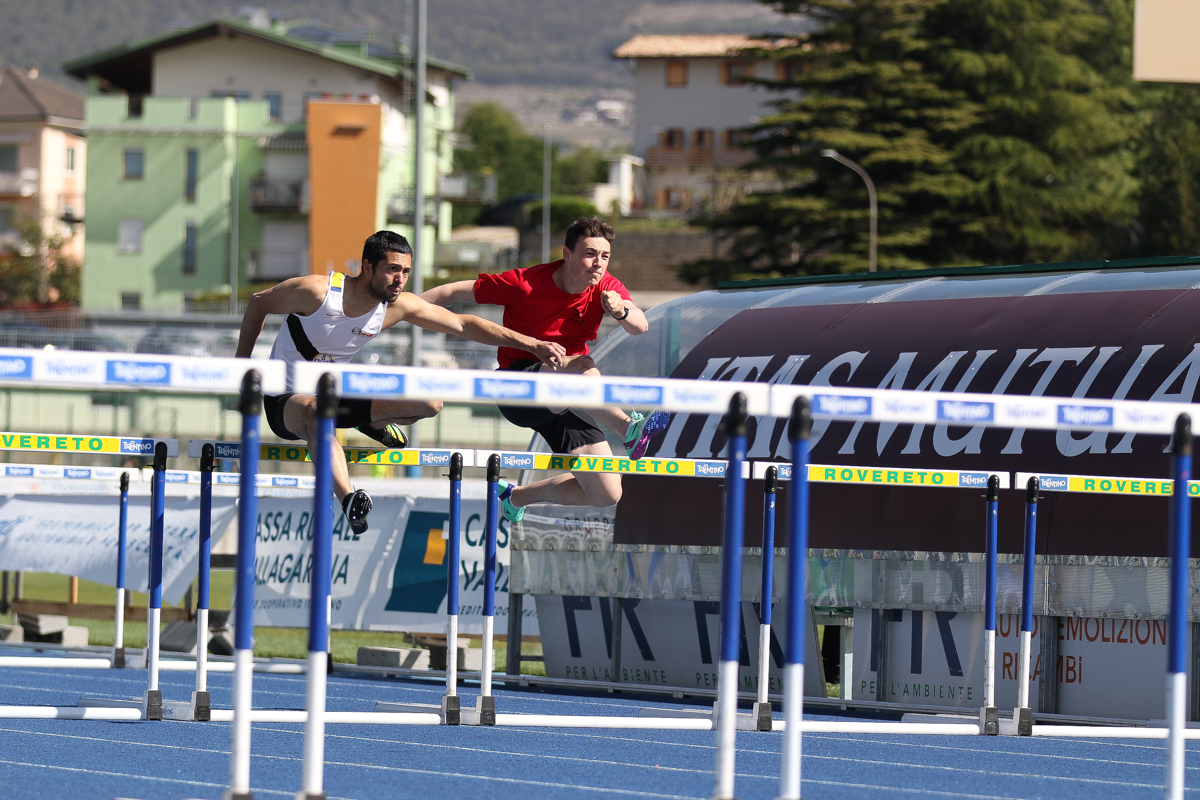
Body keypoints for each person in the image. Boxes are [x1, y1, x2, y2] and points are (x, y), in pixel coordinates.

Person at [236, 230, 566, 534]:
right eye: (393, 269)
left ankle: (372, 421)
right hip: (286, 400)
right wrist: (241, 365)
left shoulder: (397, 306)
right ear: (368, 266)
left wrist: (532, 344)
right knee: (315, 411)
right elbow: (258, 303)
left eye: (406, 271)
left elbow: (464, 324)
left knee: (430, 402)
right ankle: (349, 499)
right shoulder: (316, 292)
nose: (400, 280)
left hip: (337, 394)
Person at [421, 215, 669, 522]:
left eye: (605, 256)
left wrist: (620, 311)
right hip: (518, 388)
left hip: (569, 394)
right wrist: (405, 307)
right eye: (590, 254)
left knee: (607, 493)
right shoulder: (524, 284)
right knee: (582, 364)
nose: (598, 263)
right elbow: (453, 292)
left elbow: (640, 325)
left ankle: (516, 497)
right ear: (567, 254)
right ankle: (628, 429)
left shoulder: (606, 286)